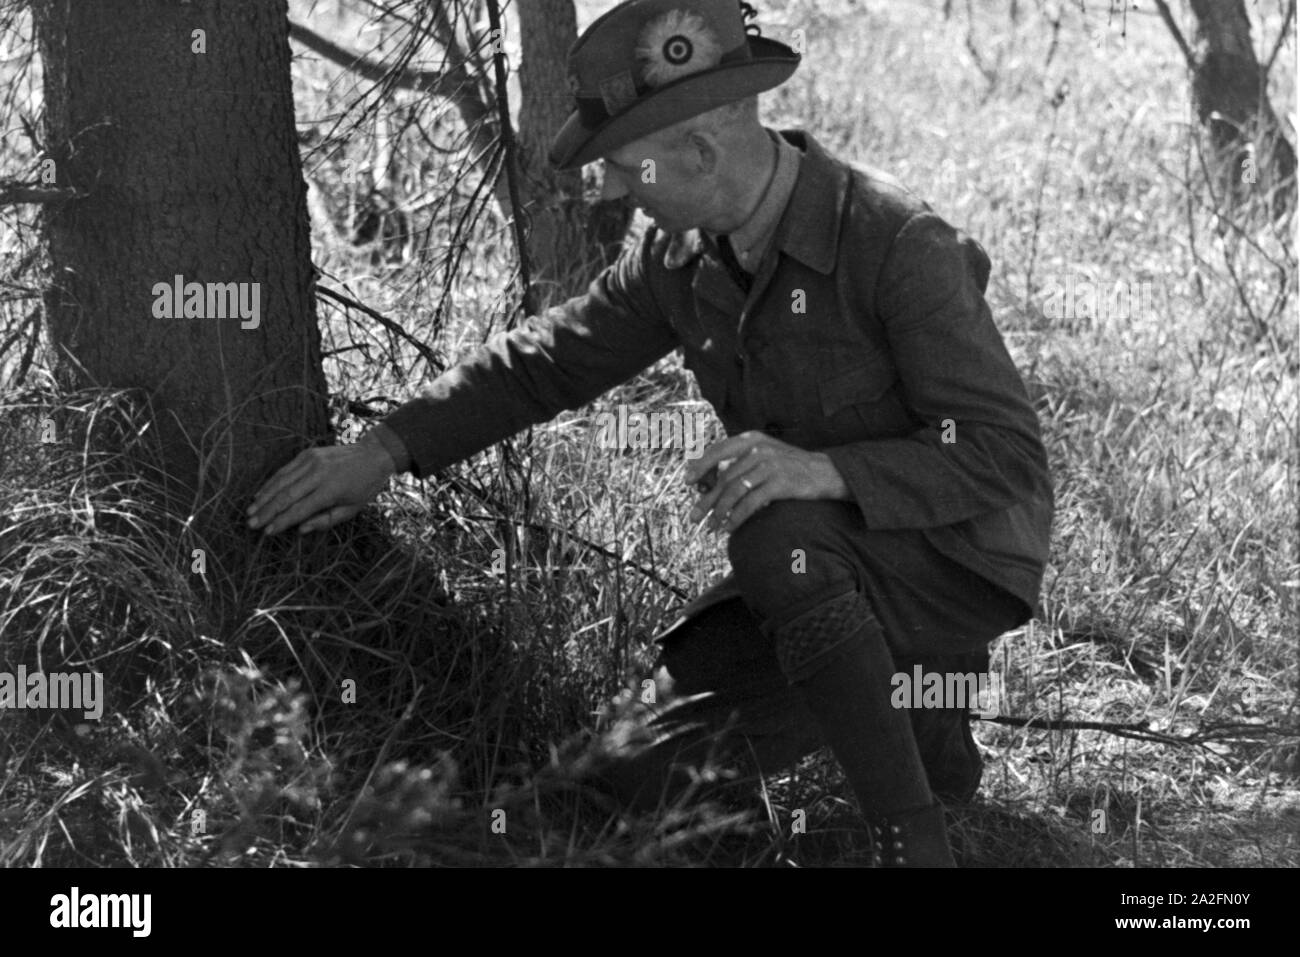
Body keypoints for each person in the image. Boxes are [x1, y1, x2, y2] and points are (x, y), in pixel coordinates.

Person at [247, 0, 1053, 867]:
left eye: (633, 169)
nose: (621, 191)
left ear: (701, 154)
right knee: (630, 769)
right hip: (823, 579)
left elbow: (1002, 452)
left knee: (779, 538)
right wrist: (382, 451)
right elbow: (546, 362)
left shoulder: (895, 243)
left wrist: (824, 469)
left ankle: (914, 837)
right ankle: (923, 722)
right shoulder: (684, 254)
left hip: (956, 559)